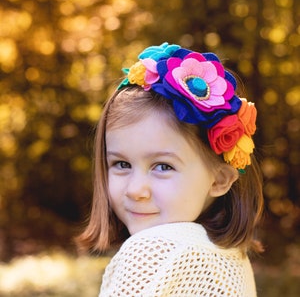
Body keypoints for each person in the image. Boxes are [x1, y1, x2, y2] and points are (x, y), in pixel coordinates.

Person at [77, 42, 264, 296]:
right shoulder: (232, 258)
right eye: (121, 164)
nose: (135, 190)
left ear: (219, 180)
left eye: (163, 166)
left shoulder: (152, 252)